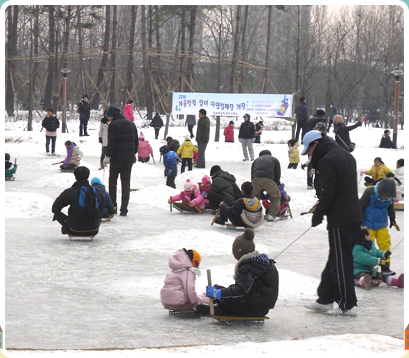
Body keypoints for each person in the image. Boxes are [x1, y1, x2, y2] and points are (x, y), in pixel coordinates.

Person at [302, 130, 363, 316]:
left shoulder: (327, 160)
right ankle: (325, 298)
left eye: (309, 151)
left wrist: (318, 214)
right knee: (336, 257)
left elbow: (329, 193)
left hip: (340, 218)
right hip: (353, 215)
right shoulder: (346, 155)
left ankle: (348, 304)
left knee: (341, 260)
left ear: (316, 144)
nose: (309, 155)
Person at [196, 228, 279, 317]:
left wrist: (219, 293)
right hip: (260, 306)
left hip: (253, 309)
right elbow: (245, 288)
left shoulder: (248, 267)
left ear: (239, 252)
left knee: (224, 300)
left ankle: (214, 308)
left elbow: (241, 291)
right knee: (218, 289)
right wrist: (219, 291)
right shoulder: (261, 263)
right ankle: (208, 299)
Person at [103, 105, 139, 216]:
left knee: (113, 182)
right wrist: (133, 153)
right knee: (126, 183)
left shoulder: (113, 125)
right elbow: (136, 141)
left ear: (112, 115)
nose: (108, 118)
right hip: (129, 159)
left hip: (117, 159)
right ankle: (124, 209)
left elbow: (112, 143)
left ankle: (113, 206)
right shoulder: (131, 123)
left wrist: (107, 156)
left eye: (108, 116)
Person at [52, 166, 105, 236]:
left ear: (75, 176)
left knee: (57, 214)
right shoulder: (97, 191)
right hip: (94, 229)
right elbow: (102, 206)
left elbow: (55, 208)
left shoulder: (70, 192)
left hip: (74, 229)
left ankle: (67, 227)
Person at [360, 178, 398, 276]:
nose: (386, 198)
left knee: (385, 244)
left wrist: (392, 219)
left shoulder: (389, 198)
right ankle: (367, 267)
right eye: (385, 195)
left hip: (381, 224)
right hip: (367, 224)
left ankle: (385, 267)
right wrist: (359, 222)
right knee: (368, 246)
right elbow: (361, 207)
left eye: (388, 196)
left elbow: (391, 208)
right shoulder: (370, 192)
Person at [251, 150, 281, 221]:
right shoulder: (275, 160)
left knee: (255, 198)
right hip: (268, 179)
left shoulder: (256, 160)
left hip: (255, 179)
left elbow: (252, 173)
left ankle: (254, 213)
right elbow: (277, 173)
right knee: (276, 197)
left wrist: (254, 185)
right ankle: (271, 215)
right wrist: (275, 183)